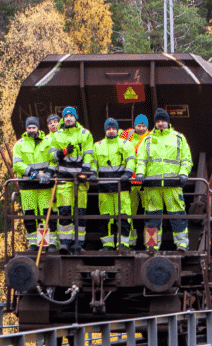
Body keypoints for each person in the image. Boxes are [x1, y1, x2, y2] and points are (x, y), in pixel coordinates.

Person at [134, 108, 192, 252]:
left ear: (168, 122)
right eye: (158, 121)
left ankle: (182, 245)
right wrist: (140, 173)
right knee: (152, 218)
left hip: (173, 184)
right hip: (152, 186)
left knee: (177, 215)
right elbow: (141, 160)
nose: (160, 123)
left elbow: (186, 159)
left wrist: (184, 173)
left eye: (163, 121)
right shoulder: (147, 140)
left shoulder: (179, 138)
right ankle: (151, 246)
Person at [47, 106, 94, 252]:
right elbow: (51, 156)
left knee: (80, 213)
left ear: (76, 117)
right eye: (65, 116)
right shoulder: (57, 135)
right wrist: (63, 152)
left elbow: (89, 153)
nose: (68, 118)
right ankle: (65, 244)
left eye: (71, 116)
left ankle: (78, 245)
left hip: (80, 180)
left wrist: (86, 170)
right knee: (65, 212)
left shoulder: (85, 134)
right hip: (63, 180)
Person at [91, 118, 137, 249]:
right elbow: (93, 162)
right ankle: (108, 245)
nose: (111, 131)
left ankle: (123, 244)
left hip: (121, 187)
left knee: (124, 217)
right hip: (104, 188)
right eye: (108, 128)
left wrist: (128, 174)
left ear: (117, 129)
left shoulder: (126, 144)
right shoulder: (97, 146)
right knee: (106, 218)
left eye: (113, 128)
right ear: (105, 130)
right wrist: (93, 173)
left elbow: (131, 160)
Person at [11, 116, 54, 249]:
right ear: (26, 128)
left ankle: (49, 242)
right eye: (29, 127)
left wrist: (48, 174)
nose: (31, 130)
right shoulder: (19, 144)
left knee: (46, 213)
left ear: (38, 127)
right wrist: (34, 173)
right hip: (27, 186)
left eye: (33, 127)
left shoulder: (48, 142)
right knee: (29, 214)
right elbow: (17, 165)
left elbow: (53, 160)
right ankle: (34, 243)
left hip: (45, 185)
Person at [119, 114, 151, 247]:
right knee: (130, 213)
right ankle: (131, 242)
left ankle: (150, 242)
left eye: (144, 126)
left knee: (150, 213)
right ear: (134, 126)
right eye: (139, 125)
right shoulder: (127, 135)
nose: (141, 128)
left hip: (146, 182)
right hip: (131, 182)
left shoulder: (152, 137)